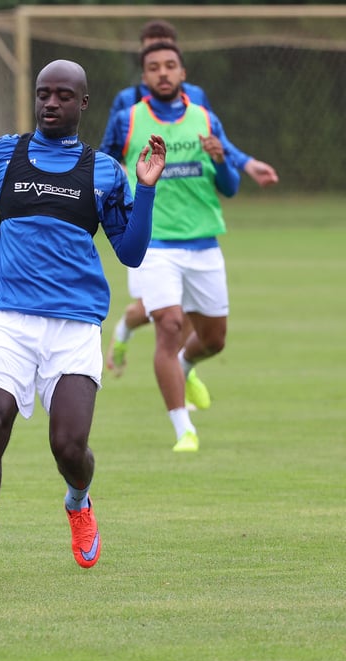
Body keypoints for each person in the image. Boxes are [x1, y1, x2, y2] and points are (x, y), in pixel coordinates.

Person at [0, 60, 167, 588]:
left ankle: (78, 500)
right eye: (44, 94)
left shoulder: (104, 170)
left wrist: (146, 188)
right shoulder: (1, 154)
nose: (51, 103)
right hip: (7, 317)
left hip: (74, 324)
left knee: (68, 446)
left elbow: (130, 253)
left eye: (64, 95)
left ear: (83, 103)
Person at [101, 20, 278, 377]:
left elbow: (214, 143)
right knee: (162, 315)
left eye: (167, 53)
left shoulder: (196, 100)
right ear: (143, 62)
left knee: (179, 319)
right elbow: (107, 157)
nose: (161, 67)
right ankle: (140, 346)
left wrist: (245, 163)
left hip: (195, 225)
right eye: (152, 55)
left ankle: (181, 373)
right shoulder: (127, 107)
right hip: (152, 222)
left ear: (179, 62)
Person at [106, 41, 241, 453]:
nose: (162, 72)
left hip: (203, 244)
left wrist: (221, 160)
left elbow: (230, 187)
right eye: (153, 67)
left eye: (170, 66)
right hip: (154, 242)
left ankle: (184, 366)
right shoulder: (127, 121)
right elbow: (102, 169)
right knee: (168, 324)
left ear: (183, 74)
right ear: (144, 77)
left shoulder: (205, 119)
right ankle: (184, 429)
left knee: (214, 339)